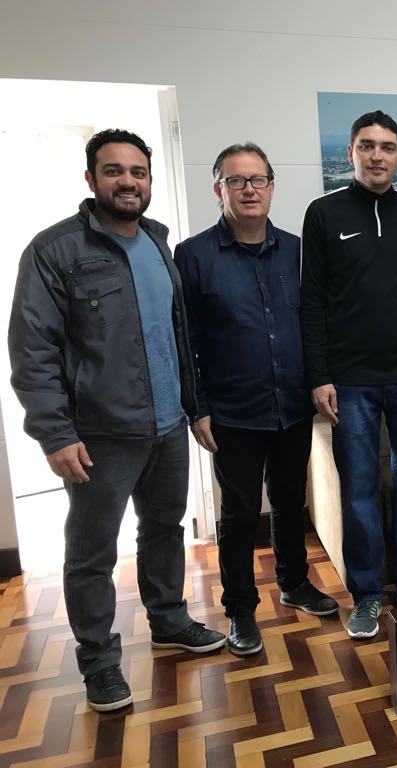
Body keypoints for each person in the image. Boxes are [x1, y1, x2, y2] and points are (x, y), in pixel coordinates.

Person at [8, 129, 226, 712]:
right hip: (100, 435)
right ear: (91, 179)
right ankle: (100, 662)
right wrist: (55, 433)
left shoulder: (157, 241)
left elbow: (177, 335)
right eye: (114, 171)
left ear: (149, 180)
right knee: (91, 553)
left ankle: (170, 621)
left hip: (167, 425)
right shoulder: (54, 251)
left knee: (164, 530)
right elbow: (32, 350)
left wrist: (194, 406)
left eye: (138, 172)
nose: (128, 181)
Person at [174, 143, 338, 658]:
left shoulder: (295, 250)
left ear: (271, 187)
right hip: (232, 412)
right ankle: (240, 610)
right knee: (241, 514)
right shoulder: (193, 256)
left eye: (258, 179)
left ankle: (294, 583)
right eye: (236, 180)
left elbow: (315, 322)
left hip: (291, 403)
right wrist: (197, 408)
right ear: (218, 189)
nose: (249, 189)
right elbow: (186, 340)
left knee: (290, 502)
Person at [301, 111, 397, 639]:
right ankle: (366, 595)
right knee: (359, 490)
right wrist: (319, 375)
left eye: (387, 147)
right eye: (367, 145)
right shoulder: (324, 214)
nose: (377, 155)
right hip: (350, 382)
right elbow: (312, 301)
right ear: (350, 153)